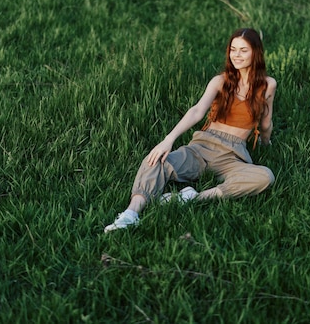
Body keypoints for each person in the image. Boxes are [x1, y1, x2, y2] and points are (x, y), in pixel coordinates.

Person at [104, 28, 277, 233]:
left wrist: (266, 143)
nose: (236, 55)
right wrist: (168, 140)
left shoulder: (268, 85)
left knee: (265, 176)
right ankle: (131, 214)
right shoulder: (220, 81)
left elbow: (266, 123)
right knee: (155, 160)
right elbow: (197, 111)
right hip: (202, 148)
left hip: (233, 156)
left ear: (256, 52)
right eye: (233, 50)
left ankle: (192, 198)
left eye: (243, 50)